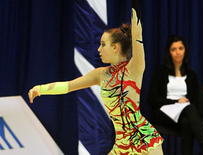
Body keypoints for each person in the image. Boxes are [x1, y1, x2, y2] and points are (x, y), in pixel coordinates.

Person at [28, 4, 164, 155]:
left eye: (102, 44)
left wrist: (135, 5)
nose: (99, 49)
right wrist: (40, 88)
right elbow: (68, 86)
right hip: (122, 145)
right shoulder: (100, 74)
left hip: (144, 139)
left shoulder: (134, 68)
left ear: (115, 47)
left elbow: (137, 34)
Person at [147, 34, 203, 155]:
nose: (178, 53)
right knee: (189, 109)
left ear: (185, 50)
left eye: (180, 48)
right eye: (174, 49)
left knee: (186, 121)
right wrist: (176, 102)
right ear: (169, 52)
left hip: (184, 112)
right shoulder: (160, 72)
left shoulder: (191, 75)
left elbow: (193, 100)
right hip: (163, 112)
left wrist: (182, 104)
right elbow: (151, 99)